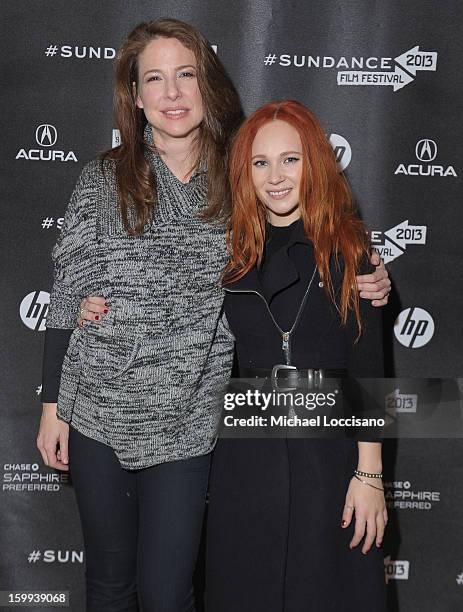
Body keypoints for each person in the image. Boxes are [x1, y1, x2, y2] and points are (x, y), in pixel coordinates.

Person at [37, 18, 390, 612]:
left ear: (208, 85)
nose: (172, 93)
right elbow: (67, 290)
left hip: (192, 418)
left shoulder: (238, 176)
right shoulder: (102, 177)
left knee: (170, 594)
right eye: (155, 78)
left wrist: (364, 272)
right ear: (136, 94)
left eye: (186, 75)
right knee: (108, 588)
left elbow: (299, 241)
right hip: (98, 405)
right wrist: (52, 405)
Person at [205, 101, 388, 612]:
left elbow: (370, 371)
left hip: (327, 456)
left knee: (327, 590)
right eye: (261, 163)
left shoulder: (351, 252)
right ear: (245, 172)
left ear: (314, 164)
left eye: (291, 159)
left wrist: (369, 474)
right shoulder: (233, 252)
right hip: (246, 457)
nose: (276, 176)